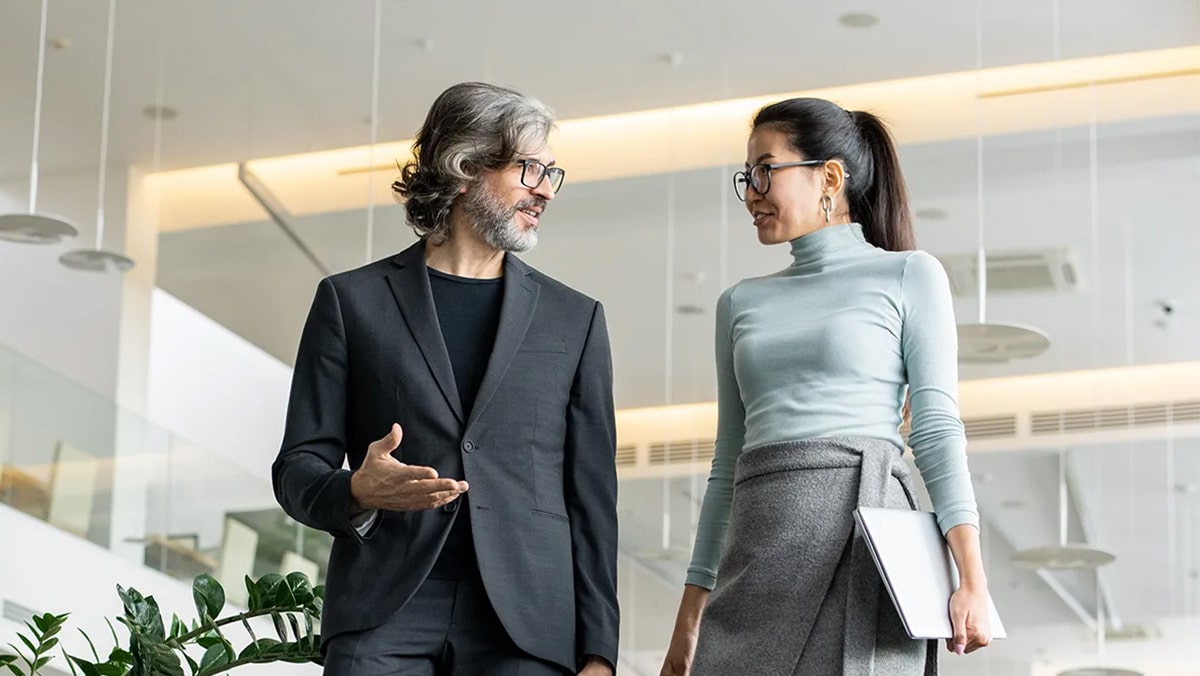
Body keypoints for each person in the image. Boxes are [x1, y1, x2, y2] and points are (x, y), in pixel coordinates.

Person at [272, 82, 619, 676]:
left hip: (529, 624)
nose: (544, 189)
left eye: (551, 173)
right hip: (384, 610)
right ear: (464, 168)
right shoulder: (350, 302)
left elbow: (592, 498)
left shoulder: (575, 319)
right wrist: (357, 490)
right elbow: (298, 467)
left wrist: (600, 651)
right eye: (529, 168)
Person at [659, 97, 993, 675]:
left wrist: (972, 580)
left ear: (829, 178)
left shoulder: (909, 275)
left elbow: (936, 431)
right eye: (746, 177)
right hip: (759, 543)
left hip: (866, 537)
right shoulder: (739, 303)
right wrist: (690, 620)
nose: (751, 192)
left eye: (765, 170)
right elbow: (725, 465)